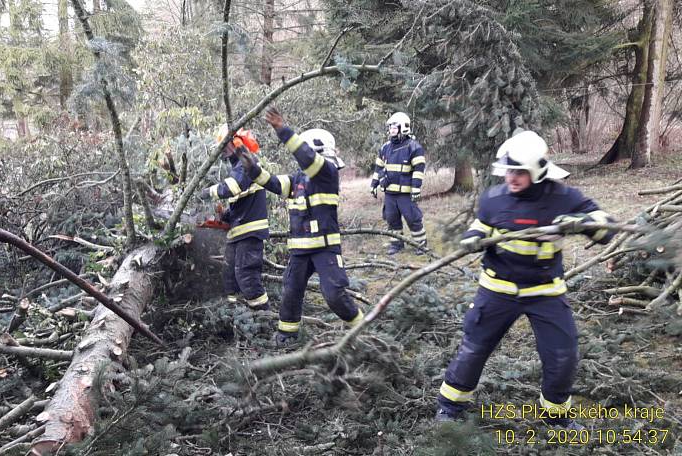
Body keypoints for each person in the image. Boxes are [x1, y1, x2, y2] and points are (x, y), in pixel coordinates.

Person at [435, 130, 615, 428]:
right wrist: (473, 238)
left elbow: (606, 228)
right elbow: (482, 225)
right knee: (473, 348)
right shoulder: (493, 198)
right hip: (497, 290)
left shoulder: (564, 198)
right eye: (508, 170)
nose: (511, 177)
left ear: (538, 171)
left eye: (519, 172)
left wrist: (582, 223)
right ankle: (449, 407)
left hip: (545, 291)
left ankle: (555, 416)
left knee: (562, 353)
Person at [234, 108, 363, 346]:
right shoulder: (298, 179)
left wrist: (283, 130)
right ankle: (287, 336)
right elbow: (272, 183)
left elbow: (307, 158)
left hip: (325, 249)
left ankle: (359, 328)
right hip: (300, 252)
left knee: (334, 293)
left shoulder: (327, 173)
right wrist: (252, 169)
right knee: (291, 291)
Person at [200, 125, 270, 310]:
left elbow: (233, 187)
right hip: (238, 232)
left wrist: (208, 192)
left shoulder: (248, 163)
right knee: (229, 275)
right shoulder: (236, 168)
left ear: (235, 142)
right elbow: (240, 203)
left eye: (225, 145)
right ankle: (235, 314)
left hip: (250, 232)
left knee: (246, 275)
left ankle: (262, 315)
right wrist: (224, 216)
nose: (222, 150)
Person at [370, 112, 426, 255]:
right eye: (390, 128)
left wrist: (416, 189)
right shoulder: (385, 147)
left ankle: (421, 245)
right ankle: (396, 244)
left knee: (413, 219)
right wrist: (374, 184)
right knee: (392, 220)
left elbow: (419, 170)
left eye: (394, 127)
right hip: (389, 193)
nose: (391, 130)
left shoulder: (414, 147)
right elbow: (379, 167)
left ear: (404, 128)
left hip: (406, 194)